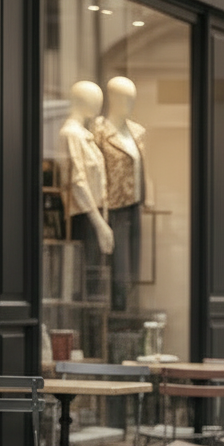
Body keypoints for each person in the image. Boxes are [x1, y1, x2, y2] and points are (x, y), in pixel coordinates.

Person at [92, 76, 149, 312]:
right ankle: (116, 311)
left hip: (135, 203)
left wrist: (148, 195)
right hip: (113, 205)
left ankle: (127, 310)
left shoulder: (136, 131)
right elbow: (96, 168)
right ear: (113, 99)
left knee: (134, 266)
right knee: (118, 267)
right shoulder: (99, 130)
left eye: (132, 98)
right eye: (125, 98)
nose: (130, 103)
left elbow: (143, 166)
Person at [60, 81, 113, 261]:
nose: (99, 104)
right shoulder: (71, 135)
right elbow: (77, 182)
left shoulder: (84, 135)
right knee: (85, 274)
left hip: (93, 215)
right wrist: (98, 223)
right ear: (82, 100)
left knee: (94, 274)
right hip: (84, 217)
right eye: (95, 99)